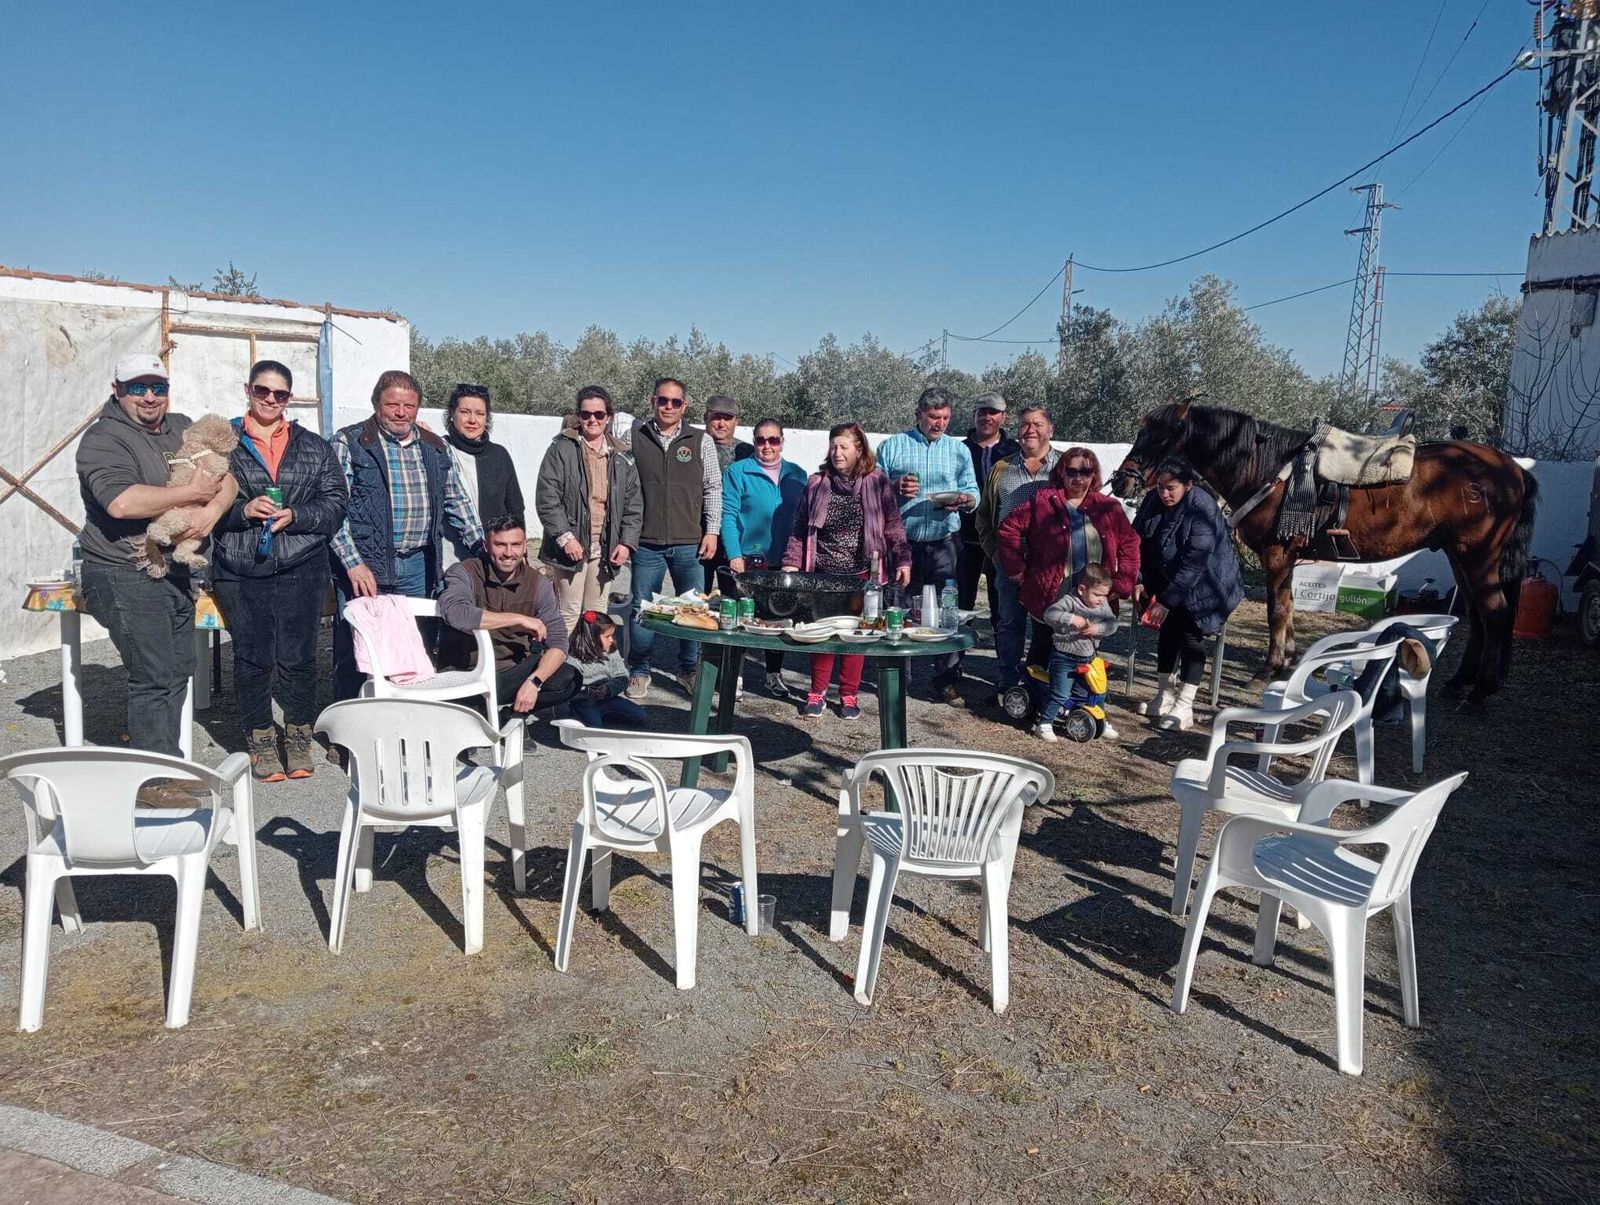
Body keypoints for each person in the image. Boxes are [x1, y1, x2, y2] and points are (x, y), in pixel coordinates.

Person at [76, 353, 239, 788]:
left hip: (173, 570)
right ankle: (155, 784)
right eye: (137, 387)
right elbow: (122, 503)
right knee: (152, 675)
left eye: (158, 387)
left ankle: (171, 767)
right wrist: (191, 492)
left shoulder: (180, 426)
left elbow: (230, 479)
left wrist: (212, 511)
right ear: (118, 391)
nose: (149, 397)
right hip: (123, 568)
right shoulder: (103, 439)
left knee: (178, 668)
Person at [210, 360, 348, 781]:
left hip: (301, 563)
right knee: (252, 657)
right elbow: (196, 503)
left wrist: (298, 514)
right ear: (248, 390)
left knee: (299, 656)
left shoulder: (313, 446)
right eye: (262, 391)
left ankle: (299, 735)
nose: (270, 400)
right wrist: (240, 511)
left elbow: (336, 501)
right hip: (241, 563)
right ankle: (260, 740)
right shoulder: (221, 445)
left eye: (280, 394)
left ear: (290, 398)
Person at [329, 369, 484, 703]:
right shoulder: (351, 442)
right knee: (358, 647)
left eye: (409, 406)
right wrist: (353, 564)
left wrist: (484, 549)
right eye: (392, 404)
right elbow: (334, 511)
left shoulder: (434, 447)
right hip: (365, 565)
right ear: (376, 404)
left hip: (417, 564)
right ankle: (351, 720)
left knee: (415, 647)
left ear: (418, 408)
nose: (401, 412)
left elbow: (457, 500)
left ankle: (406, 715)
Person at [782, 423, 911, 720]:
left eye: (844, 447)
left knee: (856, 637)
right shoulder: (816, 483)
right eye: (833, 446)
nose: (837, 452)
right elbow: (800, 528)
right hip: (823, 573)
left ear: (859, 450)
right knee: (822, 635)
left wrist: (903, 560)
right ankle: (817, 692)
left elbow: (893, 525)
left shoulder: (877, 482)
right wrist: (792, 561)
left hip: (863, 575)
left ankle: (849, 694)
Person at [995, 446, 1139, 701]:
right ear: (1061, 473)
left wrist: (1123, 582)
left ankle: (1077, 703)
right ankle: (1034, 702)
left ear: (1093, 475)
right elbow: (1008, 530)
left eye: (1085, 472)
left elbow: (1130, 544)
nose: (1078, 478)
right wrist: (1016, 569)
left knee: (1086, 650)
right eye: (1072, 471)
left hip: (1093, 598)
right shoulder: (1042, 501)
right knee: (1042, 647)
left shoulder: (1109, 507)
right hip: (1051, 594)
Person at [874, 386, 979, 704]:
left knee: (947, 610)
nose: (940, 423)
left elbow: (974, 492)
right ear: (919, 413)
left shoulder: (959, 451)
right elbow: (872, 489)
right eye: (934, 417)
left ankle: (945, 681)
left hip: (944, 543)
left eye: (946, 417)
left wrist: (964, 500)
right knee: (898, 608)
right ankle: (897, 679)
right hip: (902, 544)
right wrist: (894, 486)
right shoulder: (893, 446)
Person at [624, 378, 722, 699]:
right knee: (642, 608)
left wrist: (712, 531)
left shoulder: (700, 440)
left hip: (688, 541)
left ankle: (688, 669)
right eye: (663, 401)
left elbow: (712, 488)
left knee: (692, 608)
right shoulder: (634, 437)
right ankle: (639, 671)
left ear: (685, 406)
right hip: (646, 542)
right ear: (653, 401)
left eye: (675, 402)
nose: (668, 407)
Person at [1132, 458, 1245, 732]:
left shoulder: (1202, 507)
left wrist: (1168, 602)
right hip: (1165, 579)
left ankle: (1185, 704)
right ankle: (1164, 694)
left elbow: (1196, 559)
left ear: (1188, 485)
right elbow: (1136, 539)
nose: (1164, 494)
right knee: (1167, 632)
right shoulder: (1152, 501)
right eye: (1160, 487)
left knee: (1189, 635)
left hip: (1207, 585)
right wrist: (1137, 579)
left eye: (1171, 488)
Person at [437, 515, 581, 719]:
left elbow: (558, 641)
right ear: (486, 545)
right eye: (500, 545)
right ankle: (473, 711)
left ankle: (511, 716)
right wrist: (518, 618)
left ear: (524, 547)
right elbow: (455, 613)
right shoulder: (464, 572)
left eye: (515, 545)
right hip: (466, 672)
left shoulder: (538, 583)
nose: (508, 553)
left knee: (569, 678)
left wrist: (535, 682)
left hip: (510, 672)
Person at [534, 385, 642, 632]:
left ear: (608, 417)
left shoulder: (623, 456)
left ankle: (590, 665)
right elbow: (547, 498)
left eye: (599, 414)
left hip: (605, 546)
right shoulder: (561, 450)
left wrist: (626, 543)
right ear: (578, 416)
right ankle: (559, 663)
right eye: (586, 414)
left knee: (597, 613)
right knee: (568, 610)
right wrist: (565, 538)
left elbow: (634, 505)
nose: (592, 420)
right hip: (572, 545)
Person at [975, 404, 1059, 698]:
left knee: (1048, 624)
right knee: (1008, 622)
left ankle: (1042, 683)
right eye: (1025, 424)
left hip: (1051, 566)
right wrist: (995, 553)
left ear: (1050, 430)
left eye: (1037, 424)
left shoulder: (1064, 467)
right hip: (1008, 562)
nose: (1030, 430)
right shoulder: (1002, 468)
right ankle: (1008, 682)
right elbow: (984, 516)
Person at [721, 417, 808, 697]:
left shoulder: (798, 475)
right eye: (761, 440)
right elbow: (729, 515)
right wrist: (734, 554)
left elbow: (803, 519)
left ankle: (773, 675)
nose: (767, 446)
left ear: (782, 441)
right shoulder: (737, 472)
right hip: (747, 560)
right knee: (741, 620)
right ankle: (735, 676)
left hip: (784, 561)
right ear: (754, 441)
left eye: (773, 440)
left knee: (778, 621)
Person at [442, 384, 524, 568]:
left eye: (479, 414)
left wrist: (519, 549)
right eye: (465, 412)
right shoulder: (438, 451)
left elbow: (515, 507)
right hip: (450, 559)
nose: (472, 420)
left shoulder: (499, 455)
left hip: (493, 557)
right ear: (452, 414)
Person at [1036, 563, 1120, 743]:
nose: (1100, 599)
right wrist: (1071, 618)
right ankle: (1044, 723)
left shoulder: (1103, 605)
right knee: (1060, 693)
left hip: (1088, 658)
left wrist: (1098, 628)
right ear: (1082, 589)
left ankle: (1099, 721)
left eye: (1104, 595)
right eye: (1097, 594)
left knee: (1096, 691)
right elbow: (1049, 615)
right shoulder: (1070, 600)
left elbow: (1112, 624)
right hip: (1064, 656)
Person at [957, 391, 1019, 623]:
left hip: (1001, 538)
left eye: (993, 412)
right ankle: (955, 657)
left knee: (1002, 602)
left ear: (1003, 417)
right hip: (965, 536)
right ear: (974, 415)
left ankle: (1004, 656)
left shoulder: (1015, 452)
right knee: (961, 600)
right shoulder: (959, 450)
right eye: (982, 412)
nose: (987, 417)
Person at [566, 610, 647, 729]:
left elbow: (622, 676)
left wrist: (609, 689)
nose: (611, 640)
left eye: (612, 635)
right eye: (607, 636)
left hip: (608, 698)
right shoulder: (573, 659)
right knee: (594, 727)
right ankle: (577, 714)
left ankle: (604, 715)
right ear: (591, 638)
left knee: (640, 716)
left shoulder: (611, 649)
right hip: (584, 702)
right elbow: (567, 689)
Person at [704, 394, 754, 474]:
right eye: (717, 417)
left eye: (727, 418)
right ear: (706, 418)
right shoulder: (693, 446)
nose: (721, 424)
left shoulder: (748, 452)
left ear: (736, 422)